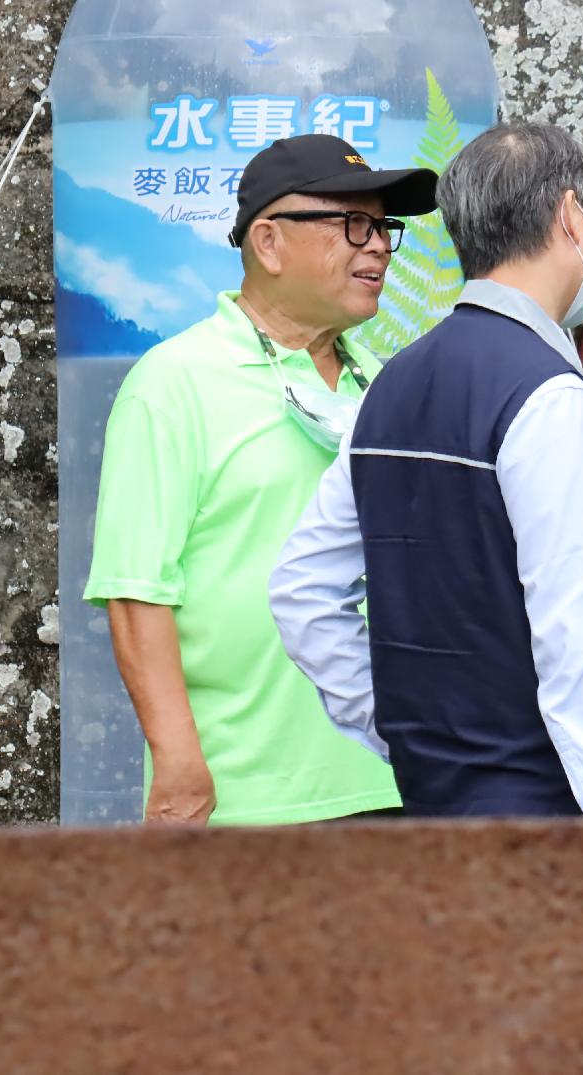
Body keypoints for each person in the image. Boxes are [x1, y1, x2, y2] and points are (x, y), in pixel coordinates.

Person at [270, 122, 583, 818]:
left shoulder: (389, 387)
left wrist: (405, 734)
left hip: (436, 800)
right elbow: (575, 639)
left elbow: (302, 591)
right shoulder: (549, 395)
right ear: (569, 217)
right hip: (545, 807)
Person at [83, 135, 435, 825]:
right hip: (247, 796)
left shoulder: (392, 386)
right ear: (269, 244)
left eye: (385, 228)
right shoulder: (173, 382)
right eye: (353, 224)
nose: (379, 248)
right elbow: (136, 590)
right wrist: (180, 761)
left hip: (396, 782)